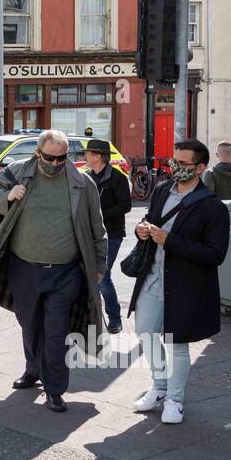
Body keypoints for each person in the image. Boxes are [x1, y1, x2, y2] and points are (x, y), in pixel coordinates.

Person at [0, 129, 107, 412]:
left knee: (56, 332)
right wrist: (8, 195)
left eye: (61, 158)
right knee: (30, 324)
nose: (54, 164)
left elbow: (98, 229)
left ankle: (55, 389)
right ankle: (33, 369)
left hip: (66, 272)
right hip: (23, 268)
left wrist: (99, 267)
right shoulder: (18, 172)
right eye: (49, 158)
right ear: (38, 153)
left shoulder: (82, 184)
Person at [129, 138, 231, 424]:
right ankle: (159, 388)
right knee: (146, 332)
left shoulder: (213, 207)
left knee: (177, 343)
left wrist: (170, 240)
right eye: (173, 161)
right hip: (152, 277)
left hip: (185, 285)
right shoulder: (162, 191)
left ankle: (175, 399)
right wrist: (142, 229)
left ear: (200, 167)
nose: (176, 167)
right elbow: (150, 218)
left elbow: (215, 254)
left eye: (183, 163)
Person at [86, 138, 132, 334]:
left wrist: (99, 215)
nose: (85, 157)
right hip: (88, 234)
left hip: (111, 234)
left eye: (87, 154)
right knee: (87, 276)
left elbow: (125, 206)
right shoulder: (86, 177)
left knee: (103, 275)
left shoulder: (118, 178)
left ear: (97, 157)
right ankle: (91, 318)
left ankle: (114, 318)